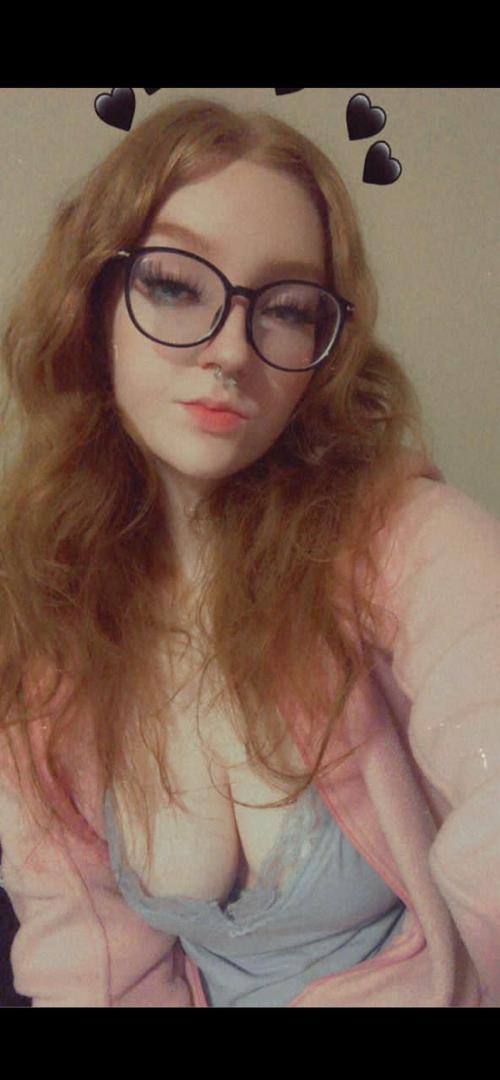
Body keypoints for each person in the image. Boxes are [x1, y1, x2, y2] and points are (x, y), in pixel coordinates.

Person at [0, 96, 499, 1009]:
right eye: (174, 285)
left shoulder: (409, 539)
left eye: (289, 307)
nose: (231, 351)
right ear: (96, 301)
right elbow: (89, 961)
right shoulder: (43, 622)